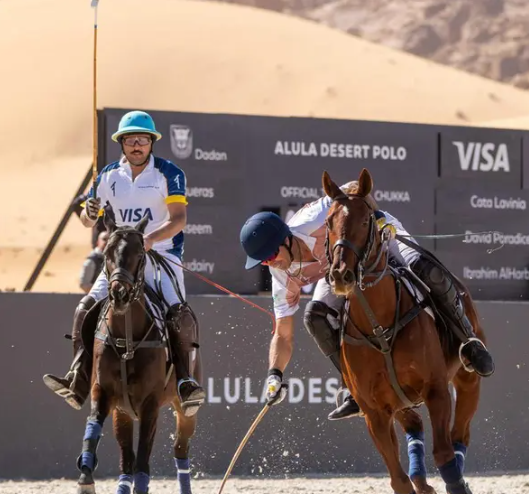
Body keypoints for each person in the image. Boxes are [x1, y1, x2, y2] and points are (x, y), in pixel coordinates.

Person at [238, 184, 495, 421]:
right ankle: (353, 387)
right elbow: (283, 335)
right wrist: (274, 375)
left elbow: (354, 188)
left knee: (426, 270)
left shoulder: (313, 218)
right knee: (314, 316)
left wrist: (377, 215)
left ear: (286, 238)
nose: (270, 263)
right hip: (339, 267)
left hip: (376, 237)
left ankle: (469, 342)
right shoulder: (281, 275)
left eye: (271, 255)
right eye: (263, 261)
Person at [43, 111, 206, 414]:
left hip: (162, 255)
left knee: (178, 313)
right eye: (130, 140)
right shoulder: (107, 176)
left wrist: (149, 240)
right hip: (122, 260)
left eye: (142, 140)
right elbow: (86, 220)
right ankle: (78, 378)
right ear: (121, 143)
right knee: (84, 308)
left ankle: (185, 381)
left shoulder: (169, 173)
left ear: (151, 142)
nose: (136, 145)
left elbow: (179, 219)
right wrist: (90, 213)